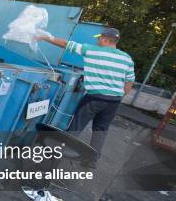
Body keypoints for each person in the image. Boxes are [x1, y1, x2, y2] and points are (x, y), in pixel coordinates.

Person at [36, 27, 135, 166]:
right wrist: (121, 94)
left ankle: (55, 158)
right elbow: (129, 81)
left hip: (94, 98)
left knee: (76, 126)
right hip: (114, 101)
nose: (97, 40)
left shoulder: (92, 50)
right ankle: (92, 160)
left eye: (99, 38)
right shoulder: (126, 58)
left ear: (105, 39)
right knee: (101, 129)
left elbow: (66, 44)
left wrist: (45, 37)